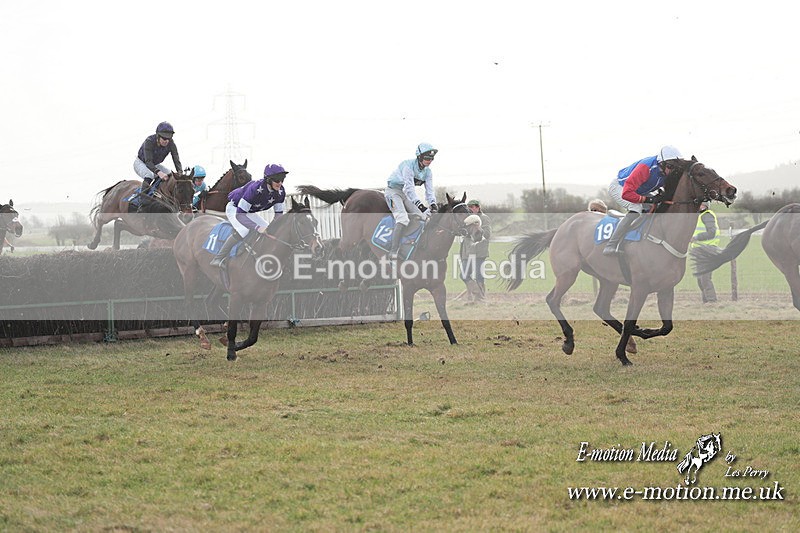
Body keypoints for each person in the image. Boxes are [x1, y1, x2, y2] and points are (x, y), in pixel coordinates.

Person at [603, 145, 683, 255]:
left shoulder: (665, 171)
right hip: (620, 187)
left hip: (639, 190)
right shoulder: (645, 167)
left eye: (675, 167)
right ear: (662, 163)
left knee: (656, 206)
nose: (672, 170)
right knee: (636, 207)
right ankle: (611, 245)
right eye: (670, 166)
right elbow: (627, 194)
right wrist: (649, 199)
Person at [210, 163, 288, 267]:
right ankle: (218, 258)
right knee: (244, 230)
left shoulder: (281, 192)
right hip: (235, 209)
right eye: (277, 179)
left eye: (282, 179)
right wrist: (257, 227)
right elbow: (240, 215)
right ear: (268, 179)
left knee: (268, 228)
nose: (280, 183)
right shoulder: (255, 189)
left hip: (249, 212)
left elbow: (278, 216)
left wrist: (273, 228)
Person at [385, 142, 438, 259]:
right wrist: (421, 206)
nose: (429, 161)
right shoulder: (408, 166)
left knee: (424, 217)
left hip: (404, 194)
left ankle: (412, 244)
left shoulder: (428, 172)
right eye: (427, 158)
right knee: (403, 218)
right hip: (393, 192)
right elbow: (410, 189)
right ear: (419, 156)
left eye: (432, 158)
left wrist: (433, 204)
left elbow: (429, 191)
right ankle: (393, 251)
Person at [134, 121, 182, 195]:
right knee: (149, 175)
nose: (166, 141)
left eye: (169, 138)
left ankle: (157, 193)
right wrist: (158, 172)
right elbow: (148, 162)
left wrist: (180, 172)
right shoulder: (149, 141)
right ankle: (142, 199)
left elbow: (176, 159)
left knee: (170, 175)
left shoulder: (171, 143)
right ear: (158, 136)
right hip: (141, 163)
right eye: (164, 138)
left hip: (154, 164)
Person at [460, 199, 492, 303]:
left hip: (479, 252)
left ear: (478, 207)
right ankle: (478, 293)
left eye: (473, 206)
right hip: (467, 252)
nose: (470, 208)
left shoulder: (484, 218)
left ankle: (479, 300)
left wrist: (479, 228)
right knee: (464, 275)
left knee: (479, 276)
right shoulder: (466, 220)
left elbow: (487, 235)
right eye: (469, 207)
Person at [691, 202, 720, 303]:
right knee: (700, 278)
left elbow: (712, 233)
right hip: (700, 250)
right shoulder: (700, 216)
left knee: (705, 278)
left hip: (707, 250)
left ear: (705, 206)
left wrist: (696, 238)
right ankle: (706, 302)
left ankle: (712, 302)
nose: (698, 206)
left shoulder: (707, 215)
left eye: (701, 204)